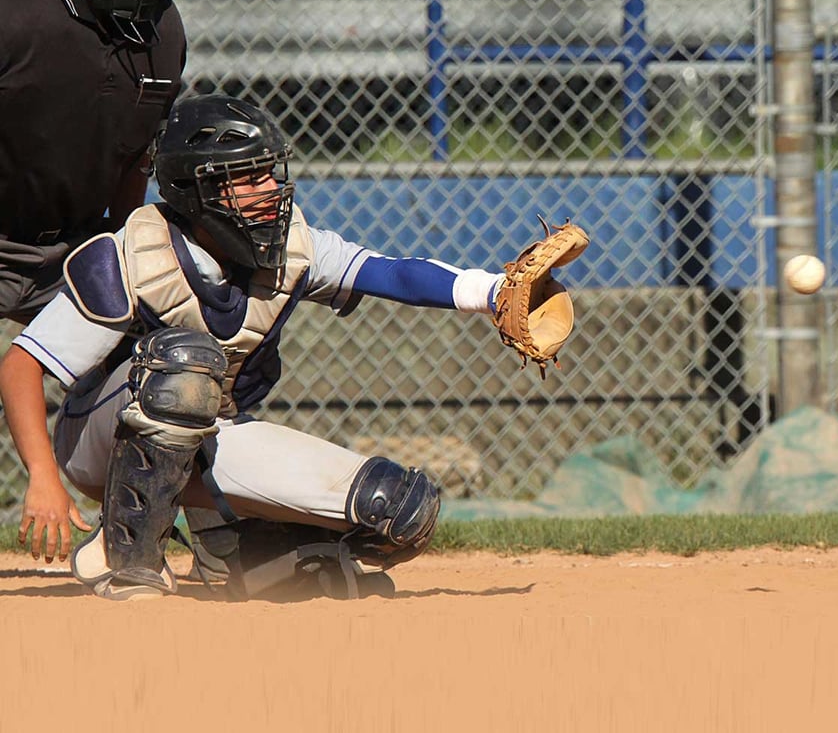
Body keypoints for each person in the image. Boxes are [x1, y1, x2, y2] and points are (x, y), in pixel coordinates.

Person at [0, 95, 515, 602]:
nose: (271, 188)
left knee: (398, 507)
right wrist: (43, 476)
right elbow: (21, 366)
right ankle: (127, 556)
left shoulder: (292, 246)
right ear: (196, 189)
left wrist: (492, 292)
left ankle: (238, 556)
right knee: (184, 367)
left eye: (270, 172)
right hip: (99, 439)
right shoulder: (131, 257)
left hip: (209, 434)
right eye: (249, 177)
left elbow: (390, 271)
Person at [0, 0, 185, 324]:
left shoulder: (161, 29)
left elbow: (134, 158)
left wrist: (125, 255)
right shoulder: (13, 19)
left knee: (177, 368)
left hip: (78, 248)